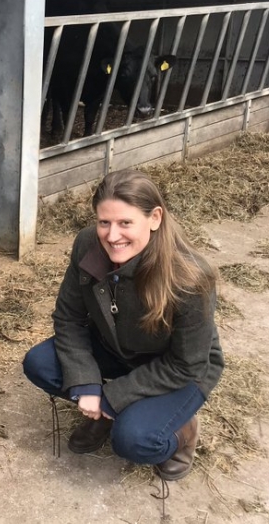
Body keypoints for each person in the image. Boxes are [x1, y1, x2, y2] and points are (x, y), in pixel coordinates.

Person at [22, 169, 224, 480]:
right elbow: (69, 318)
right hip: (116, 346)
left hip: (177, 369)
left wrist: (114, 396)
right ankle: (104, 414)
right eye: (104, 222)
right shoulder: (87, 244)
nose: (112, 236)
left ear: (154, 218)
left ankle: (181, 433)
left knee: (134, 441)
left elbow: (188, 364)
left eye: (125, 223)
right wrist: (87, 384)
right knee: (39, 364)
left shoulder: (190, 278)